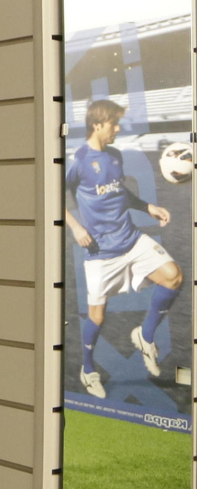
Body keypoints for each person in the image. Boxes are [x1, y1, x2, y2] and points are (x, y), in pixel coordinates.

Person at [64, 98, 182, 398]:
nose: (118, 128)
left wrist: (148, 206)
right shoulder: (79, 160)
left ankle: (145, 336)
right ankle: (88, 369)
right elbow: (51, 193)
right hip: (101, 253)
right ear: (97, 124)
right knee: (98, 317)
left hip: (131, 239)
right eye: (114, 123)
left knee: (173, 276)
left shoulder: (114, 155)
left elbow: (119, 192)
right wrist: (76, 227)